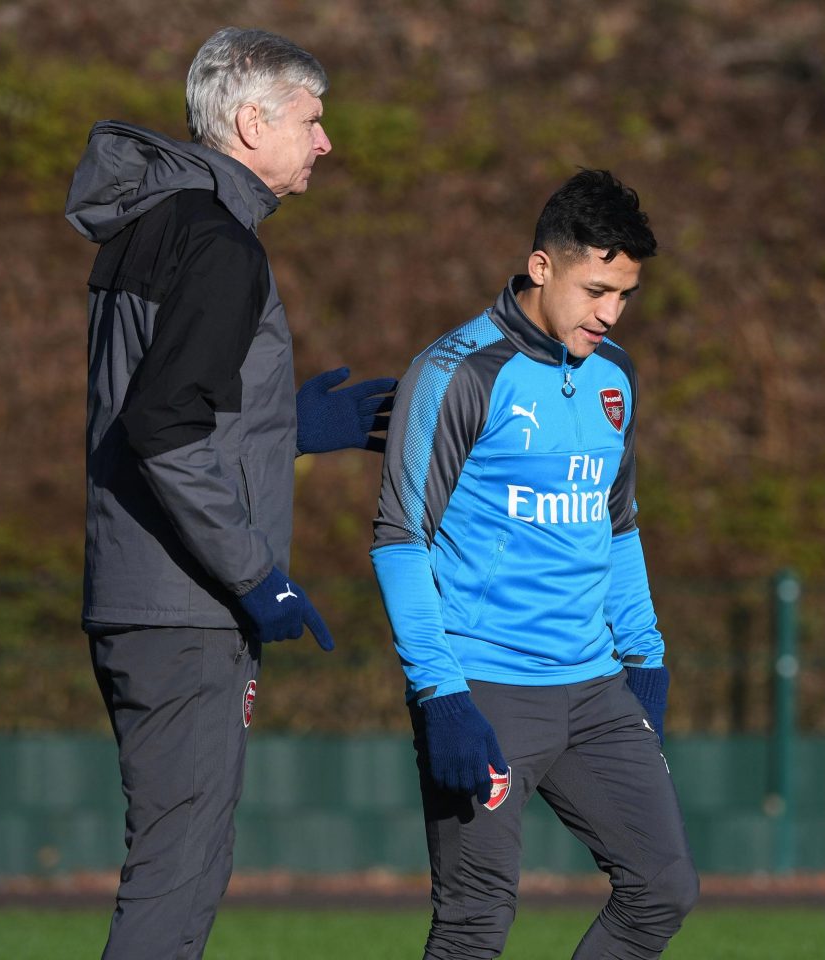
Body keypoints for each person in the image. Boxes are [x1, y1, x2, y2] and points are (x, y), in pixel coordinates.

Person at [65, 27, 395, 960]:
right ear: (252, 122)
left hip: (138, 591)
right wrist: (255, 576)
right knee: (179, 875)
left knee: (174, 861)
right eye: (312, 119)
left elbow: (160, 402)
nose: (325, 142)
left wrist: (281, 425)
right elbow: (162, 430)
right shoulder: (219, 244)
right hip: (185, 607)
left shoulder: (154, 223)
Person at [371, 169, 699, 960]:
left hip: (594, 689)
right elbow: (397, 537)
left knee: (662, 891)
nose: (609, 313)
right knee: (474, 922)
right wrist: (441, 694)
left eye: (624, 295)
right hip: (483, 689)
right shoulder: (455, 373)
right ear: (540, 266)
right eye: (595, 290)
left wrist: (644, 656)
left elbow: (616, 525)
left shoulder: (613, 377)